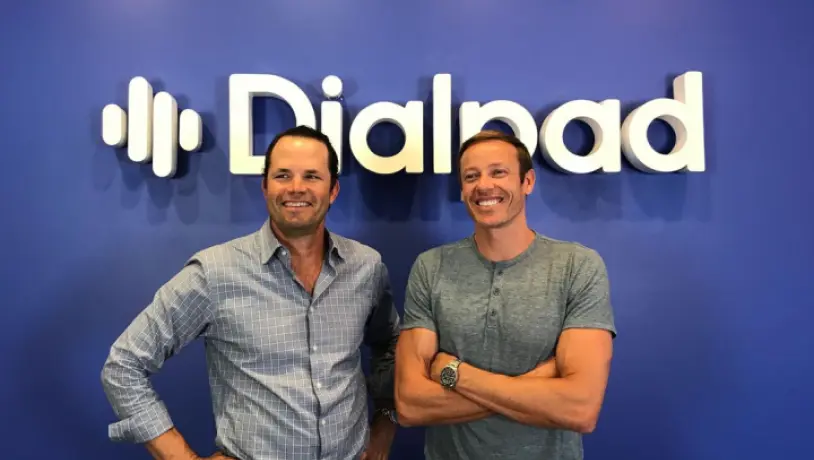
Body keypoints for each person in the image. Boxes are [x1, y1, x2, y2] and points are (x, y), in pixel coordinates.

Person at [101, 125, 401, 460]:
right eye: (283, 175)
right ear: (265, 187)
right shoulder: (215, 272)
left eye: (312, 176)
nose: (296, 187)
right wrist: (181, 457)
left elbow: (391, 346)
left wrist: (385, 424)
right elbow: (123, 364)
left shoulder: (366, 266)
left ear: (333, 190)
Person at [394, 130, 617, 459]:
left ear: (527, 182)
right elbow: (411, 404)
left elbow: (580, 408)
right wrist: (533, 384)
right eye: (471, 176)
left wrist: (455, 373)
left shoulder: (577, 266)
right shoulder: (431, 267)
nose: (484, 185)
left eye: (498, 172)